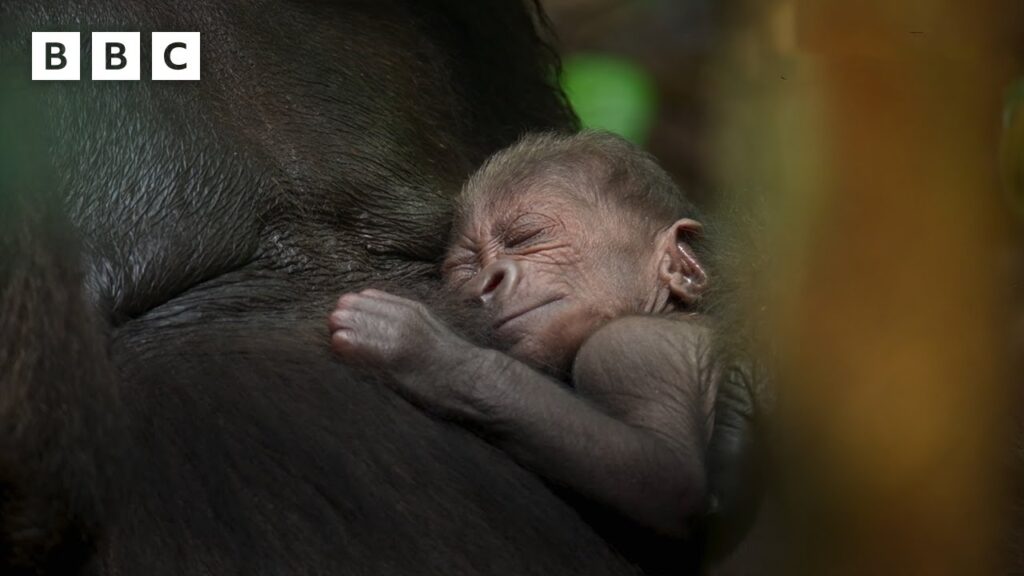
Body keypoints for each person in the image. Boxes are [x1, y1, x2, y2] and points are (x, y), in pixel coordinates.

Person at [328, 130, 715, 540]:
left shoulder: (628, 344)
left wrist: (451, 366)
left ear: (679, 264)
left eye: (528, 238)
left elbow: (675, 496)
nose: (488, 277)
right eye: (463, 270)